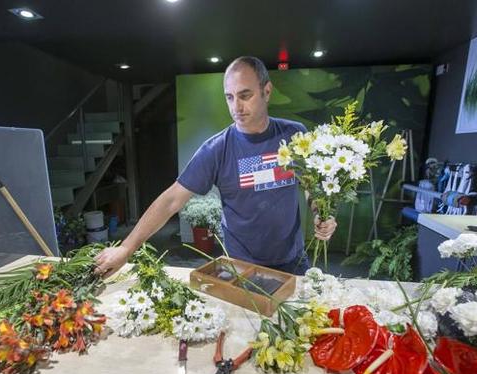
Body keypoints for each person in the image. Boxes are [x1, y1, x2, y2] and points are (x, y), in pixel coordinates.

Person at [94, 56, 336, 277]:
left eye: (245, 95)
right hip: (243, 267)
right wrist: (126, 248)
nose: (236, 107)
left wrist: (320, 213)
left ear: (267, 91)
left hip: (293, 261)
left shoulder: (295, 133)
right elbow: (171, 200)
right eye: (229, 97)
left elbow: (309, 184)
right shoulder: (216, 149)